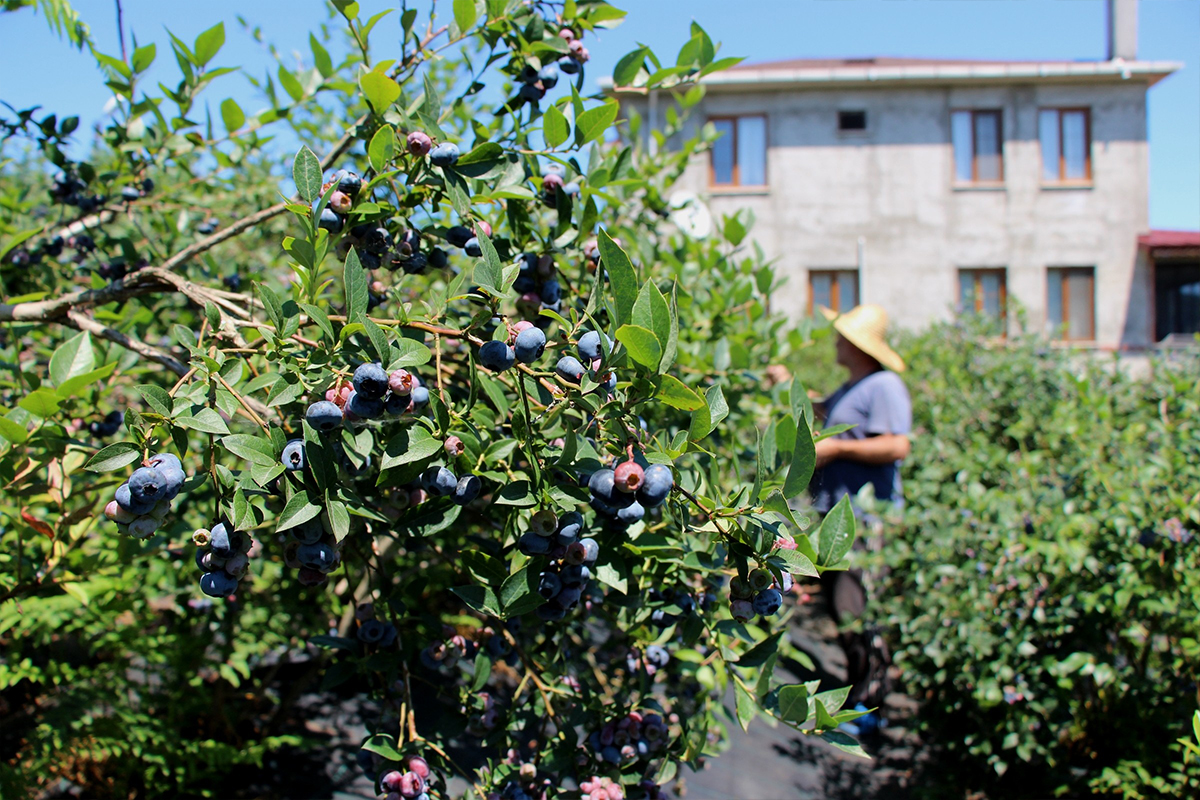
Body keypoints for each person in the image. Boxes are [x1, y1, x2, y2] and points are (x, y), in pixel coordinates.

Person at [809, 303, 912, 733]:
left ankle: (871, 709)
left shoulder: (884, 385)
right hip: (839, 514)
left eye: (841, 336)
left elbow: (897, 446)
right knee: (842, 606)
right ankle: (861, 699)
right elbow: (825, 415)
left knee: (856, 610)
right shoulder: (853, 386)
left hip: (864, 518)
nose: (835, 341)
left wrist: (837, 450)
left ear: (857, 345)